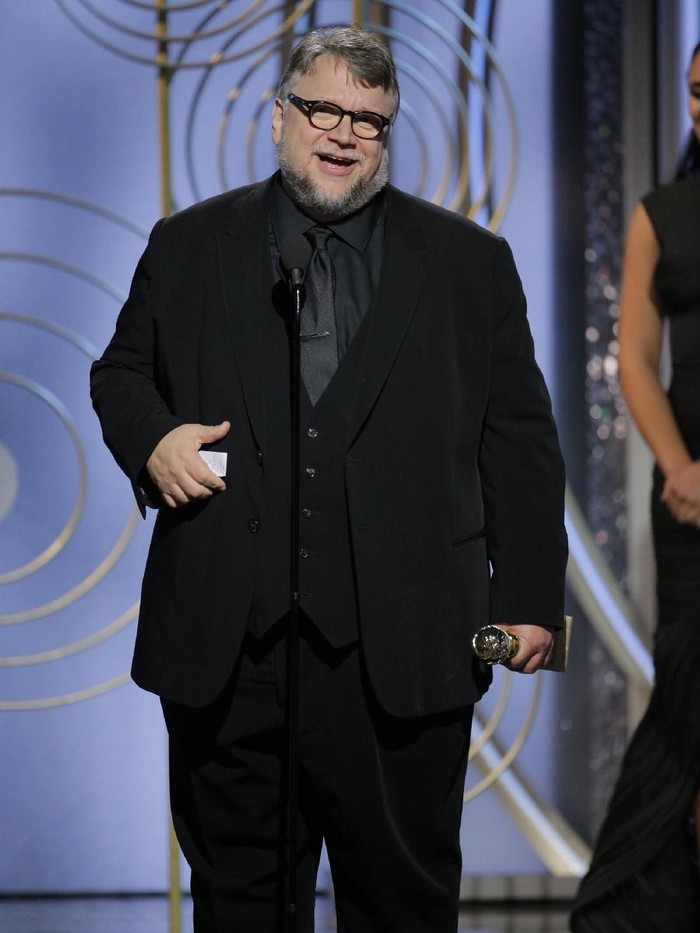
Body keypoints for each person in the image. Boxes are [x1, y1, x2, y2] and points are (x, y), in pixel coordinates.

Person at [91, 25, 567, 933]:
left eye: (370, 120)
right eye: (323, 110)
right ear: (279, 118)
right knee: (240, 909)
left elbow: (519, 441)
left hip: (406, 649)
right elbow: (119, 374)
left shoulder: (469, 264)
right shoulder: (189, 245)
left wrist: (533, 597)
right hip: (230, 650)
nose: (344, 134)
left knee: (401, 907)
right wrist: (153, 441)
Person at [570, 42, 700, 933]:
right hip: (693, 502)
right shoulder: (664, 213)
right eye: (698, 89)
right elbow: (635, 361)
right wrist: (682, 467)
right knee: (694, 711)